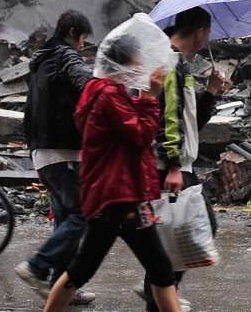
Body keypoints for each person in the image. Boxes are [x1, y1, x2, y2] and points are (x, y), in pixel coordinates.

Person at [43, 32, 181, 312]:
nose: (143, 66)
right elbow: (140, 135)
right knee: (161, 270)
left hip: (110, 196)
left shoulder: (104, 92)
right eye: (139, 60)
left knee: (80, 271)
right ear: (127, 63)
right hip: (120, 198)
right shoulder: (109, 96)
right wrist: (150, 98)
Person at [138, 6, 225, 312]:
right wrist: (174, 165)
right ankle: (159, 290)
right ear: (199, 31)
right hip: (169, 167)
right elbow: (167, 120)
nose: (209, 37)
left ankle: (160, 289)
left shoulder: (180, 65)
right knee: (192, 228)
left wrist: (211, 93)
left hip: (176, 164)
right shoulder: (171, 61)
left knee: (178, 233)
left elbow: (188, 122)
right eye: (209, 31)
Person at [15, 11, 96, 305]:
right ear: (73, 31)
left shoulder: (42, 62)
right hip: (62, 150)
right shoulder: (64, 56)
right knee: (83, 214)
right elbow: (85, 81)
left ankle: (63, 284)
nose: (81, 47)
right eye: (82, 40)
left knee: (65, 220)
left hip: (42, 151)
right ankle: (36, 266)